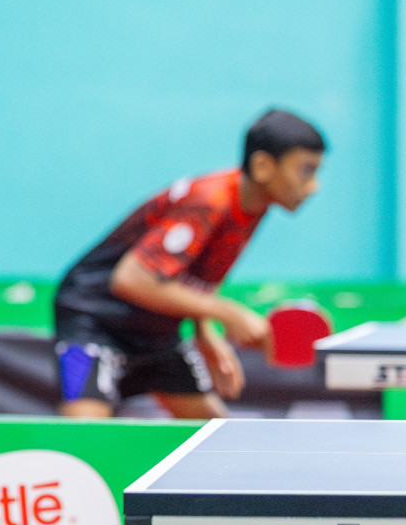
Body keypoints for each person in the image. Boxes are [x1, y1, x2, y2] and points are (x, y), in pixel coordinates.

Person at [52, 108, 325, 419]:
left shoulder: (253, 206)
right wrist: (228, 313)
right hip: (93, 319)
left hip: (156, 329)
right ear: (263, 166)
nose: (314, 186)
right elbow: (131, 279)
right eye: (306, 170)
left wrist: (204, 332)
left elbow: (198, 276)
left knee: (215, 432)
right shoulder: (210, 201)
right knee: (85, 435)